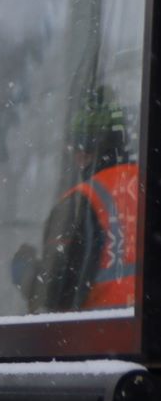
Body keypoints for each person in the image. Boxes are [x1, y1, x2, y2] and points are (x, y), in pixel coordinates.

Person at [23, 90, 139, 314]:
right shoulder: (146, 183)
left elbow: (56, 292)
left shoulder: (81, 202)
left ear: (82, 150)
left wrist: (25, 271)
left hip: (98, 338)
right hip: (146, 336)